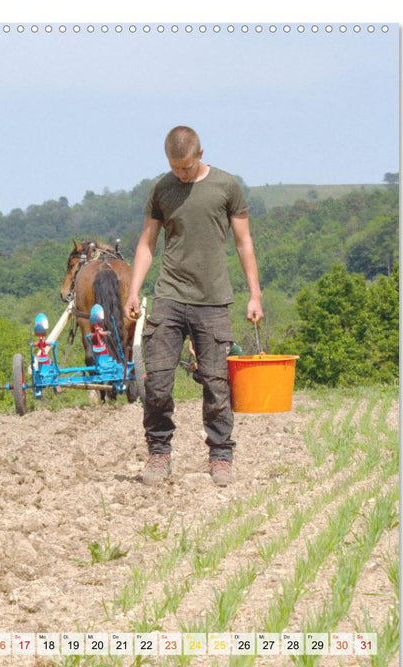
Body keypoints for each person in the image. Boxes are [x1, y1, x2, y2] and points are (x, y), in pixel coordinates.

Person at [125, 126, 263, 487]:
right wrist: (134, 291)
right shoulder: (162, 188)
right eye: (174, 167)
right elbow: (147, 242)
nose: (180, 174)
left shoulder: (226, 187)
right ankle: (158, 453)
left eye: (185, 167)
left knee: (217, 385)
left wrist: (255, 294)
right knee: (156, 381)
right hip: (170, 295)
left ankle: (220, 457)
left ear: (200, 154)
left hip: (213, 300)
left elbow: (244, 243)